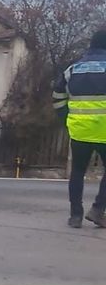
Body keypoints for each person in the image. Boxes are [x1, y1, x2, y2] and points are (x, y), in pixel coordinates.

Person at [53, 29, 106, 228]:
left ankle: (75, 215)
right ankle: (98, 210)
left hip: (79, 130)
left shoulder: (73, 69)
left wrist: (67, 119)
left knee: (77, 171)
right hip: (105, 131)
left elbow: (57, 98)